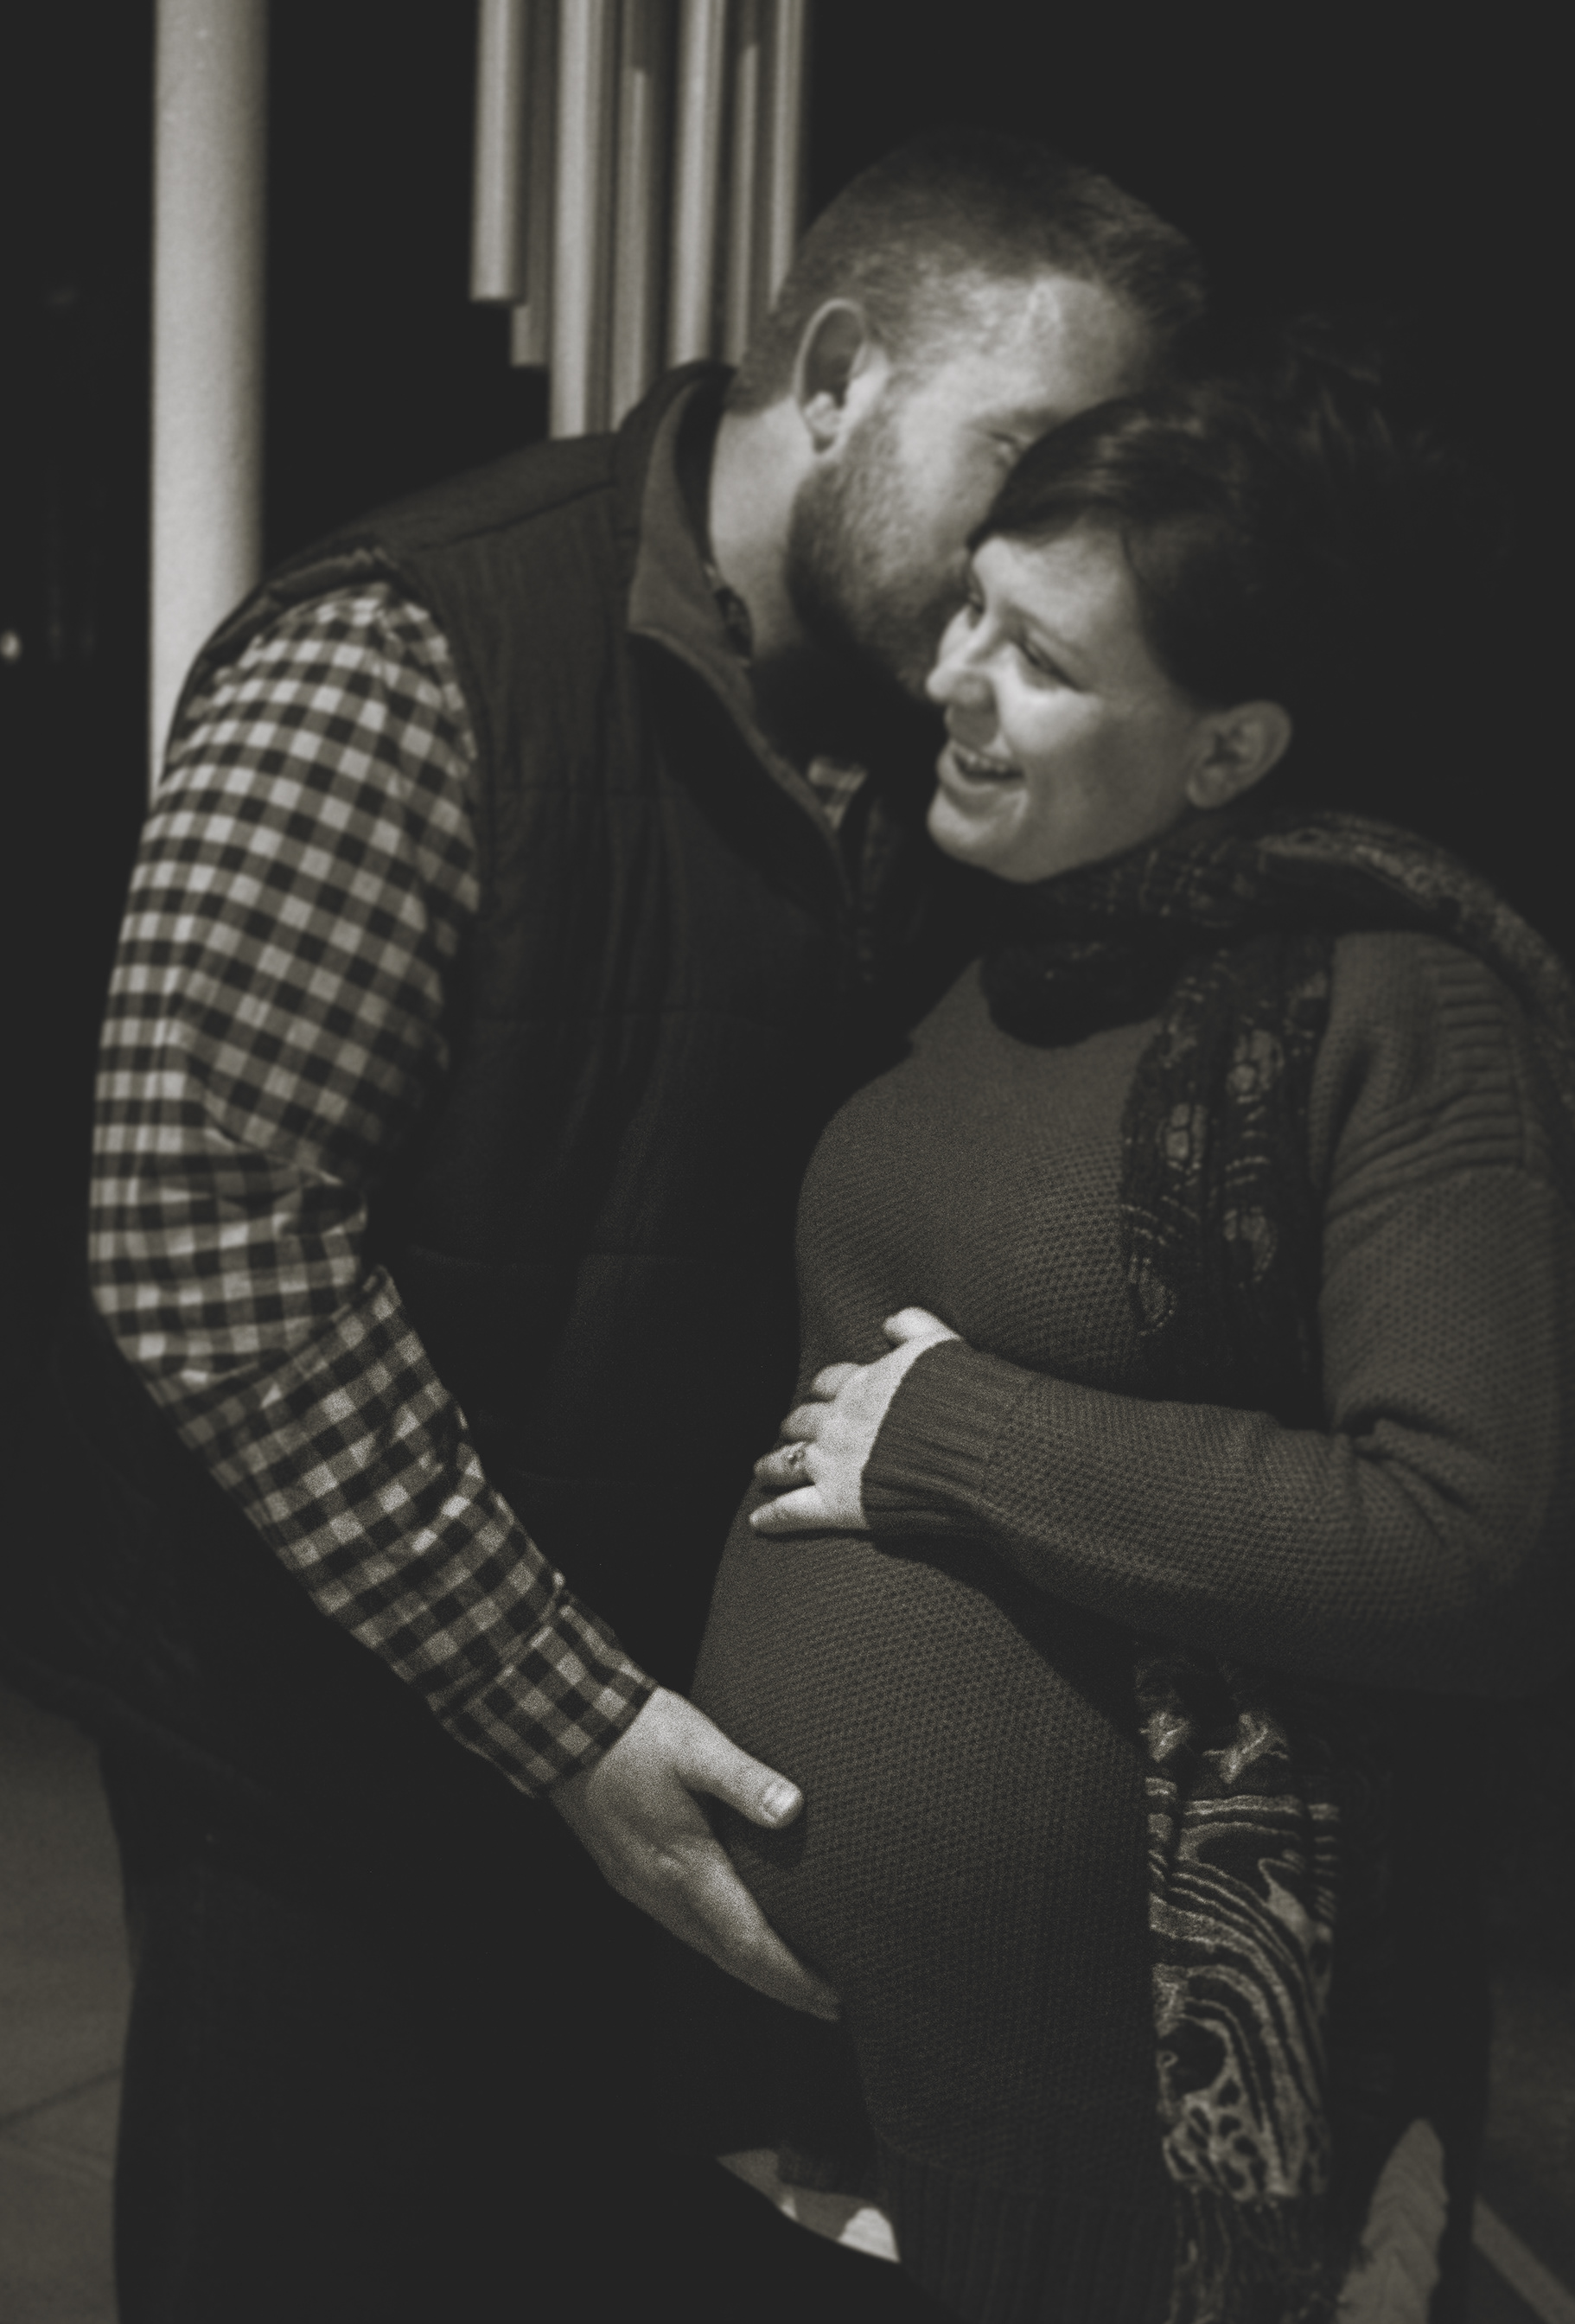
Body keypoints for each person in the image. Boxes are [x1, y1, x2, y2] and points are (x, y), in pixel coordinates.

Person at [10, 132, 1207, 2322]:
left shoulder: (930, 730)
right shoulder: (410, 646)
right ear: (834, 375)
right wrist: (567, 1716)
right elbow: (203, 1234)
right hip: (324, 1773)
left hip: (660, 1757)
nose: (1045, 550)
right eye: (1024, 458)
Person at [665, 331, 1575, 2323]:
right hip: (822, 2079)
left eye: (1039, 658)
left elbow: (1485, 1540)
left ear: (1229, 750)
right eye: (970, 610)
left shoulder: (1389, 1000)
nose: (952, 678)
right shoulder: (986, 942)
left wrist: (962, 1440)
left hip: (1119, 2152)